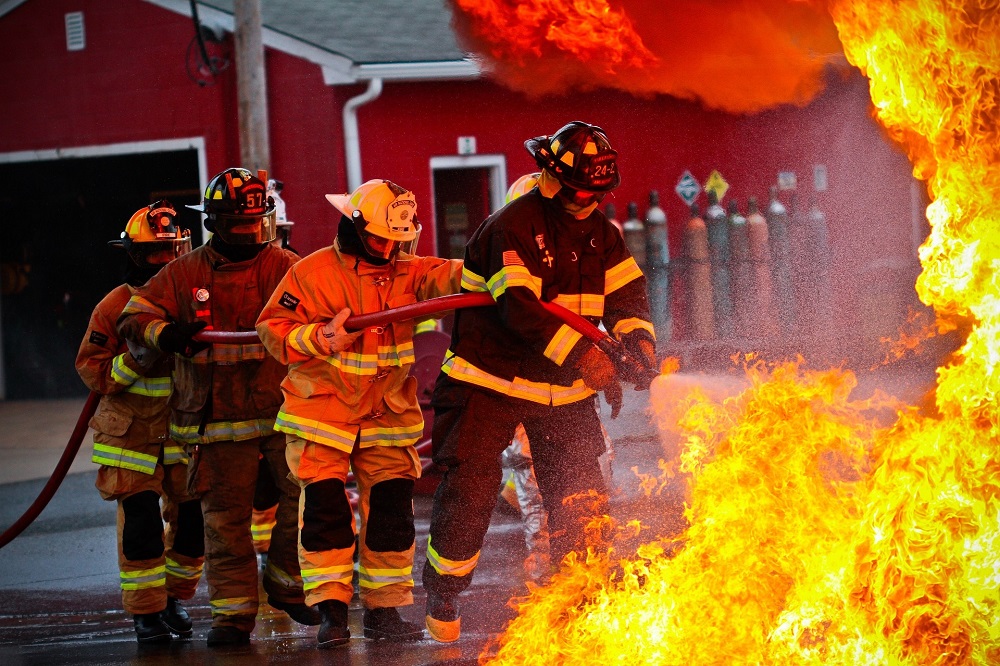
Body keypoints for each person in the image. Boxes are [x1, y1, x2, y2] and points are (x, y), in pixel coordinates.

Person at [422, 121, 657, 643]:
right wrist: (587, 359)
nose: (588, 201)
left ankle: (584, 601)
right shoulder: (513, 226)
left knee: (580, 498)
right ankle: (445, 593)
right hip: (490, 379)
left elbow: (627, 296)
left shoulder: (602, 232)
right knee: (471, 491)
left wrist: (638, 342)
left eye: (599, 193)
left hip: (562, 391)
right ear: (552, 176)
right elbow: (520, 311)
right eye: (581, 191)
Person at [256, 179, 463, 648]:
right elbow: (272, 328)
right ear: (353, 227)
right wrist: (320, 339)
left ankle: (384, 612)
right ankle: (331, 613)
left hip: (387, 412)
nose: (389, 249)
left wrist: (507, 262)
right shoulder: (311, 273)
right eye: (379, 239)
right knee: (326, 512)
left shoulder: (411, 269)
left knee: (392, 514)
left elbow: (458, 277)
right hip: (323, 410)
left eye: (399, 240)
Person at [117, 167, 316, 647]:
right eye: (236, 225)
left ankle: (287, 586)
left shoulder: (286, 266)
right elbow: (134, 315)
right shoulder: (184, 273)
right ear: (214, 223)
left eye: (255, 225)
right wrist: (165, 333)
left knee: (304, 504)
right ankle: (233, 618)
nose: (248, 235)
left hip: (280, 414)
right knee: (225, 525)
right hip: (215, 421)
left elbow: (323, 310)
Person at [75, 200, 204, 643]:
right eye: (156, 254)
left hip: (184, 433)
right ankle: (146, 614)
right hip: (131, 438)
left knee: (193, 527)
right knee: (142, 529)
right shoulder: (113, 307)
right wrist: (137, 358)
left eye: (175, 252)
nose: (168, 262)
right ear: (134, 256)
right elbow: (92, 369)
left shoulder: (193, 300)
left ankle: (173, 599)